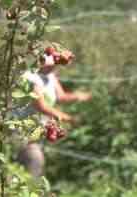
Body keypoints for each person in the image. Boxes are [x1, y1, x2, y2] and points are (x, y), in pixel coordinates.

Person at [18, 46, 92, 177]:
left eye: (56, 64)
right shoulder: (30, 77)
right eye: (52, 64)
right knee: (35, 160)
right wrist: (67, 118)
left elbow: (61, 96)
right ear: (40, 61)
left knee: (30, 164)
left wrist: (78, 96)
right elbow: (41, 106)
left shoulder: (50, 76)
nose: (54, 68)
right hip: (22, 129)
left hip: (38, 129)